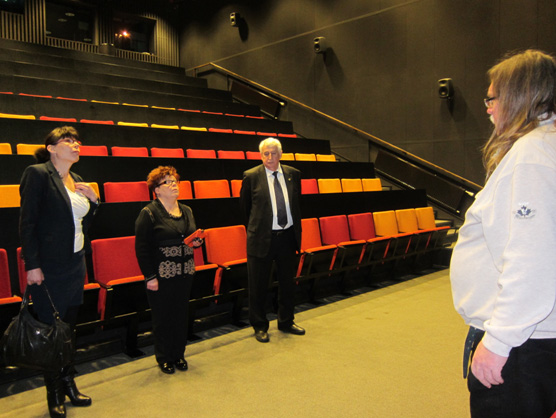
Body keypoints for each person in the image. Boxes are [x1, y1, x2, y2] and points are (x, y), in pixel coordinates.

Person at [450, 49, 556, 418]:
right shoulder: (544, 147)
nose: (488, 109)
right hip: (534, 336)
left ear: (517, 97)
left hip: (523, 344)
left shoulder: (532, 156)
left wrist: (497, 342)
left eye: (492, 98)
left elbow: (533, 262)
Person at [19, 126, 99, 418]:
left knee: (68, 330)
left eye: (77, 141)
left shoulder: (76, 178)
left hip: (75, 263)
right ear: (51, 148)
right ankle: (54, 393)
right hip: (49, 267)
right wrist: (32, 265)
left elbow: (82, 221)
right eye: (68, 141)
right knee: (53, 332)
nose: (75, 144)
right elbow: (27, 223)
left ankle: (69, 384)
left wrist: (95, 201)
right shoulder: (38, 174)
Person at [135, 166, 202, 374]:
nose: (174, 185)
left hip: (185, 272)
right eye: (168, 182)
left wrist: (197, 242)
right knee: (163, 318)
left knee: (181, 316)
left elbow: (189, 237)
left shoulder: (187, 210)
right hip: (161, 276)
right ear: (156, 190)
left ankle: (178, 354)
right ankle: (164, 357)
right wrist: (150, 277)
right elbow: (142, 248)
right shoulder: (148, 213)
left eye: (175, 181)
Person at [239, 137, 305, 343]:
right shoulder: (251, 176)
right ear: (261, 156)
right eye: (265, 153)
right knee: (258, 285)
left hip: (287, 237)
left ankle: (286, 321)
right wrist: (258, 229)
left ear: (280, 154)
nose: (269, 157)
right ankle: (259, 325)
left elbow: (297, 205)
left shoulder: (293, 174)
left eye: (273, 153)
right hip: (261, 239)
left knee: (287, 283)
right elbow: (245, 210)